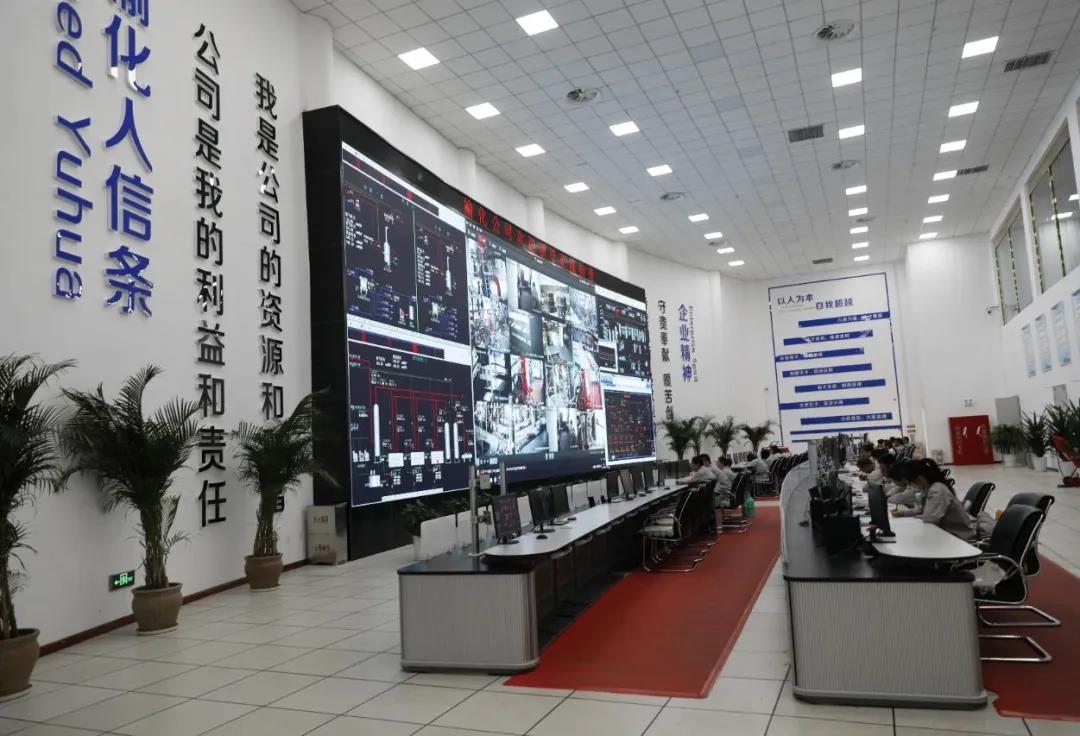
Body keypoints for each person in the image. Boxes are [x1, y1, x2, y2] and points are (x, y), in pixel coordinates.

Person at [890, 459, 974, 541]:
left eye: (910, 483)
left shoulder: (937, 490)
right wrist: (904, 513)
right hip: (947, 534)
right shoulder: (930, 489)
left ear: (920, 479)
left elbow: (930, 519)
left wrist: (919, 517)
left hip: (959, 538)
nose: (910, 486)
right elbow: (923, 510)